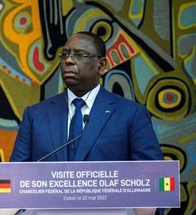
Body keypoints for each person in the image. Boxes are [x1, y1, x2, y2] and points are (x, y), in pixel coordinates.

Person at [10, 31, 163, 163]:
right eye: (64, 55)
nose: (68, 60)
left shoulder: (131, 114)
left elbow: (151, 176)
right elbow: (15, 176)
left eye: (79, 55)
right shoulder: (35, 116)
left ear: (101, 65)